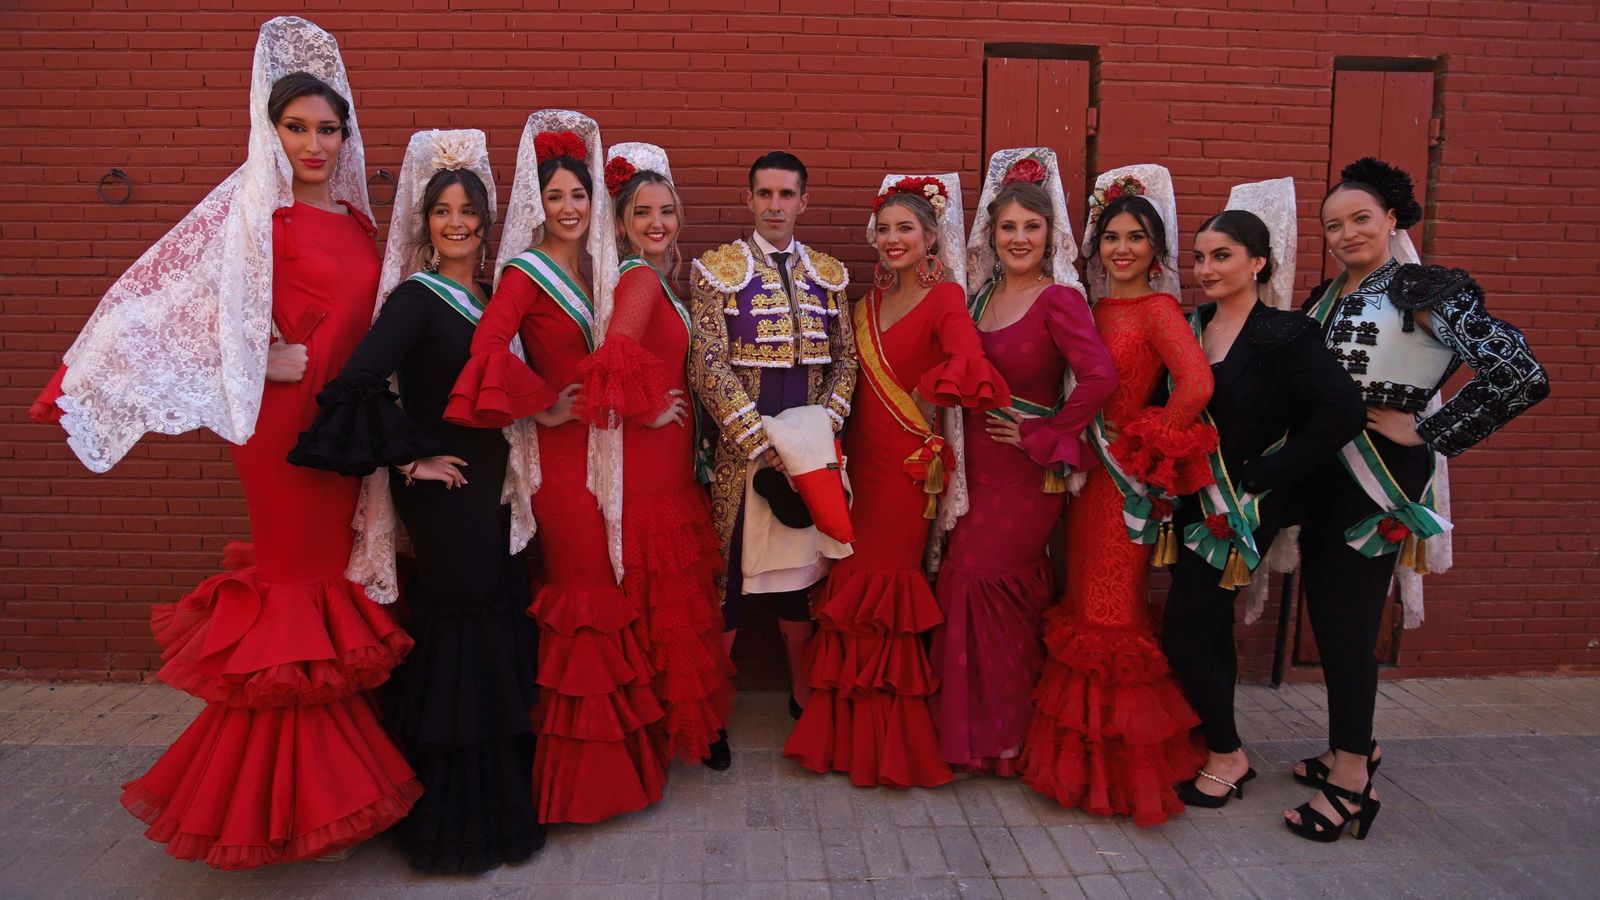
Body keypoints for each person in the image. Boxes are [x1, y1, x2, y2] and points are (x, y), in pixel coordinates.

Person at [30, 17, 418, 867]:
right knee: (298, 592)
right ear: (268, 129)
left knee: (335, 586)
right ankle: (276, 802)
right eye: (298, 128)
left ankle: (335, 785)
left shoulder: (356, 217)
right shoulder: (251, 214)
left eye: (328, 129)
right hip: (284, 433)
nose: (314, 144)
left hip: (346, 434)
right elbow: (156, 302)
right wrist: (248, 355)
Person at [289, 129, 546, 872]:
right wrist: (410, 459)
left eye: (469, 210)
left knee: (492, 639)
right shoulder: (415, 298)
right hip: (447, 501)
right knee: (461, 647)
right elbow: (359, 381)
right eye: (443, 211)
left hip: (491, 498)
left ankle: (496, 809)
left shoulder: (493, 296)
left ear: (487, 222)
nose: (457, 222)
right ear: (424, 223)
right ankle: (453, 826)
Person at [1286, 158, 1549, 842]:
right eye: (1333, 225)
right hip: (1320, 471)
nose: (1345, 234)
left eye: (1360, 219)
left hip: (1378, 473)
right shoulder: (1324, 295)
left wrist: (1431, 428)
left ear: (1393, 219)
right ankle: (1354, 745)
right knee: (1329, 613)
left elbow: (1519, 372)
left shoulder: (1424, 289)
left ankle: (1351, 782)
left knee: (1346, 629)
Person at [445, 112, 667, 823]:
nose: (569, 209)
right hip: (564, 469)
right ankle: (583, 784)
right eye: (556, 198)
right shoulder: (524, 271)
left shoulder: (600, 266)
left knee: (613, 593)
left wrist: (644, 409)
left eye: (579, 196)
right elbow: (487, 347)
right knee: (585, 599)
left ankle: (624, 766)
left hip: (612, 459)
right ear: (535, 208)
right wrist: (541, 405)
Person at [783, 173, 1008, 788]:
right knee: (850, 581)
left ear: (931, 237)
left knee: (886, 593)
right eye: (882, 230)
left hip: (909, 474)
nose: (891, 239)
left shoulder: (947, 298)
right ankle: (844, 733)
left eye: (904, 228)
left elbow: (967, 359)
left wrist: (929, 389)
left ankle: (889, 743)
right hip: (857, 468)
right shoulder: (865, 305)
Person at [1158, 182, 1365, 812]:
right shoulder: (1191, 326)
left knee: (1184, 636)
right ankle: (1218, 741)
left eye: (1221, 256)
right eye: (1199, 258)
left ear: (1258, 262)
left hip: (1242, 511)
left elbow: (1341, 411)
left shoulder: (1284, 333)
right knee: (1209, 628)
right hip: (1195, 500)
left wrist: (1268, 473)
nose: (1206, 270)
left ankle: (1228, 754)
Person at [1019, 164, 1212, 827]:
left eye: (1136, 237)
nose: (1122, 249)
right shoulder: (1091, 305)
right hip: (1081, 478)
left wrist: (1148, 444)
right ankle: (1079, 755)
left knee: (1111, 612)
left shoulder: (1158, 310)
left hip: (1121, 482)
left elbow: (1195, 386)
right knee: (1082, 598)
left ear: (1157, 250)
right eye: (1112, 237)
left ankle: (1116, 766)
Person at [930, 148, 1115, 776]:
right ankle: (972, 734)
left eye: (1030, 228)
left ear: (1049, 235)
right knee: (961, 578)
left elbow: (1098, 377)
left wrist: (1048, 431)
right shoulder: (978, 301)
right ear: (992, 234)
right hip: (973, 465)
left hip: (1025, 473)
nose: (1018, 238)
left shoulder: (1059, 298)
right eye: (1007, 228)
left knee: (989, 586)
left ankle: (1006, 738)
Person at [578, 142, 736, 770]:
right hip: (649, 462)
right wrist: (646, 411)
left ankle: (675, 723)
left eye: (666, 211)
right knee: (666, 594)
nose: (656, 223)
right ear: (620, 222)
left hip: (668, 461)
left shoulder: (662, 278)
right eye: (642, 212)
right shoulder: (641, 277)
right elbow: (614, 358)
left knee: (676, 596)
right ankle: (671, 728)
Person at [689, 150, 856, 722]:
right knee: (728, 582)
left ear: (803, 201)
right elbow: (707, 363)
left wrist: (813, 440)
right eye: (765, 194)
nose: (775, 205)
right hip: (744, 458)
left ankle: (804, 697)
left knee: (797, 580)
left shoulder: (829, 275)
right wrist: (764, 445)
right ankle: (710, 715)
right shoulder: (717, 268)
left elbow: (846, 363)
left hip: (807, 460)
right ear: (749, 199)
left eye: (786, 195)